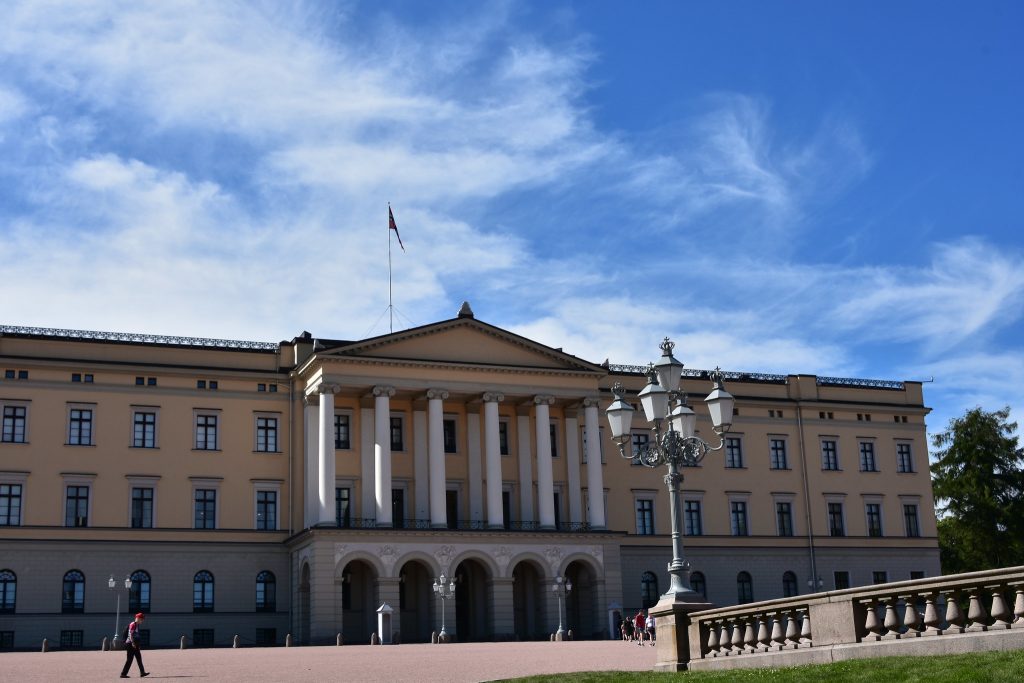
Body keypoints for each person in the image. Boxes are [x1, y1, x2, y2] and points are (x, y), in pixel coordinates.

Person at [120, 612, 150, 678]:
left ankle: (142, 672)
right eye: (142, 619)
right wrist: (133, 643)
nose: (142, 621)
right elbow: (130, 634)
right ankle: (123, 674)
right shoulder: (133, 624)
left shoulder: (137, 625)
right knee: (129, 659)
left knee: (139, 658)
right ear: (138, 618)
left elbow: (136, 636)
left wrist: (137, 645)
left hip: (135, 644)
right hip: (130, 644)